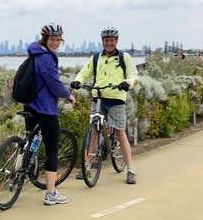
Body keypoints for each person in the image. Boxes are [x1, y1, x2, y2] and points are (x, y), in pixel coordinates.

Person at [70, 27, 139, 184]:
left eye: (112, 40)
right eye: (106, 40)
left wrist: (126, 83)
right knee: (94, 132)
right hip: (98, 98)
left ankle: (130, 170)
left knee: (120, 133)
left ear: (116, 41)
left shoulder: (124, 57)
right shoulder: (96, 58)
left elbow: (134, 76)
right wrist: (78, 81)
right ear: (102, 41)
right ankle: (87, 166)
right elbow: (84, 72)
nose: (109, 43)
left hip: (116, 98)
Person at [25, 24, 76, 206]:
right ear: (45, 39)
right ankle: (50, 193)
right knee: (52, 150)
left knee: (28, 142)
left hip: (30, 104)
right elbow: (53, 83)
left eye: (57, 39)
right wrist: (68, 95)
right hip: (45, 108)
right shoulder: (46, 58)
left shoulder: (35, 53)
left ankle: (16, 175)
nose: (55, 42)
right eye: (52, 39)